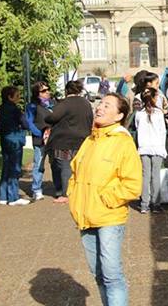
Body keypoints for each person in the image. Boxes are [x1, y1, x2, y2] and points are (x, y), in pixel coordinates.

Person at [68, 93, 142, 306]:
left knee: (111, 274)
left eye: (107, 106)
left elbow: (132, 184)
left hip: (109, 216)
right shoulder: (90, 139)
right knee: (98, 274)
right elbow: (75, 172)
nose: (99, 108)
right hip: (85, 215)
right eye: (100, 104)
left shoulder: (122, 141)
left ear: (119, 115)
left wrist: (106, 198)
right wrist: (73, 195)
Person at [45, 80, 93, 203]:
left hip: (64, 141)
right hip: (83, 140)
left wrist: (47, 117)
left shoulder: (65, 103)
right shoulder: (86, 103)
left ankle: (65, 193)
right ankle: (80, 190)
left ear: (67, 90)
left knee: (65, 166)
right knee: (80, 167)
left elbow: (53, 117)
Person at [134, 88, 168, 214]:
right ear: (154, 98)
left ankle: (144, 204)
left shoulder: (139, 114)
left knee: (145, 175)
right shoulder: (159, 113)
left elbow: (137, 129)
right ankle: (156, 203)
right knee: (155, 175)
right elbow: (162, 131)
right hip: (157, 147)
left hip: (144, 147)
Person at [0, 86, 30, 206]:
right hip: (15, 139)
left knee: (6, 167)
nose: (19, 98)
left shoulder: (1, 109)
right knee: (15, 168)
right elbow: (25, 123)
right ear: (10, 97)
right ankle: (13, 197)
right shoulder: (14, 110)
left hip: (5, 139)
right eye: (17, 96)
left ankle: (3, 196)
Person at [26, 81, 53, 200]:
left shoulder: (52, 104)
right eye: (43, 91)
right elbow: (29, 122)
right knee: (39, 164)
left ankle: (59, 187)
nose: (47, 92)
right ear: (37, 93)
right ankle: (36, 189)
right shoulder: (32, 106)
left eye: (48, 89)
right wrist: (39, 133)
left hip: (54, 139)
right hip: (40, 139)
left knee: (56, 163)